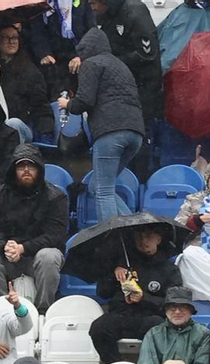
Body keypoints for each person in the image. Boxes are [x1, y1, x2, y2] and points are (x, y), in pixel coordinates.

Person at [60, 28, 145, 224]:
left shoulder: (91, 63)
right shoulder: (120, 65)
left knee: (103, 191)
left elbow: (85, 101)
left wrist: (68, 105)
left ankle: (112, 238)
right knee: (96, 186)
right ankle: (134, 226)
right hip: (135, 133)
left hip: (110, 132)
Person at [0, 146, 68, 312]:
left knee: (49, 256)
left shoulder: (56, 197)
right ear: (13, 170)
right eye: (21, 166)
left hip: (38, 256)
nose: (26, 170)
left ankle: (43, 311)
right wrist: (4, 246)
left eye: (31, 166)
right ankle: (2, 310)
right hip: (7, 256)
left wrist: (24, 248)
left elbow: (56, 236)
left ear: (39, 169)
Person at [89, 224, 181, 364]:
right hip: (121, 316)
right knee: (99, 327)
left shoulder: (169, 270)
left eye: (148, 236)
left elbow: (172, 304)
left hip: (149, 318)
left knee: (160, 327)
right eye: (139, 236)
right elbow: (103, 293)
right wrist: (112, 273)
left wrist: (144, 298)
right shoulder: (122, 264)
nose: (143, 241)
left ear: (158, 239)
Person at [87, 0, 161, 123]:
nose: (92, 8)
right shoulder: (102, 16)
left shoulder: (134, 11)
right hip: (119, 86)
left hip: (143, 84)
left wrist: (114, 63)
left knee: (142, 126)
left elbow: (147, 53)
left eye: (93, 3)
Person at [134, 290, 210, 364]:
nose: (177, 311)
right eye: (172, 307)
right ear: (165, 311)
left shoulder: (203, 334)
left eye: (183, 307)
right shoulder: (153, 333)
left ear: (191, 311)